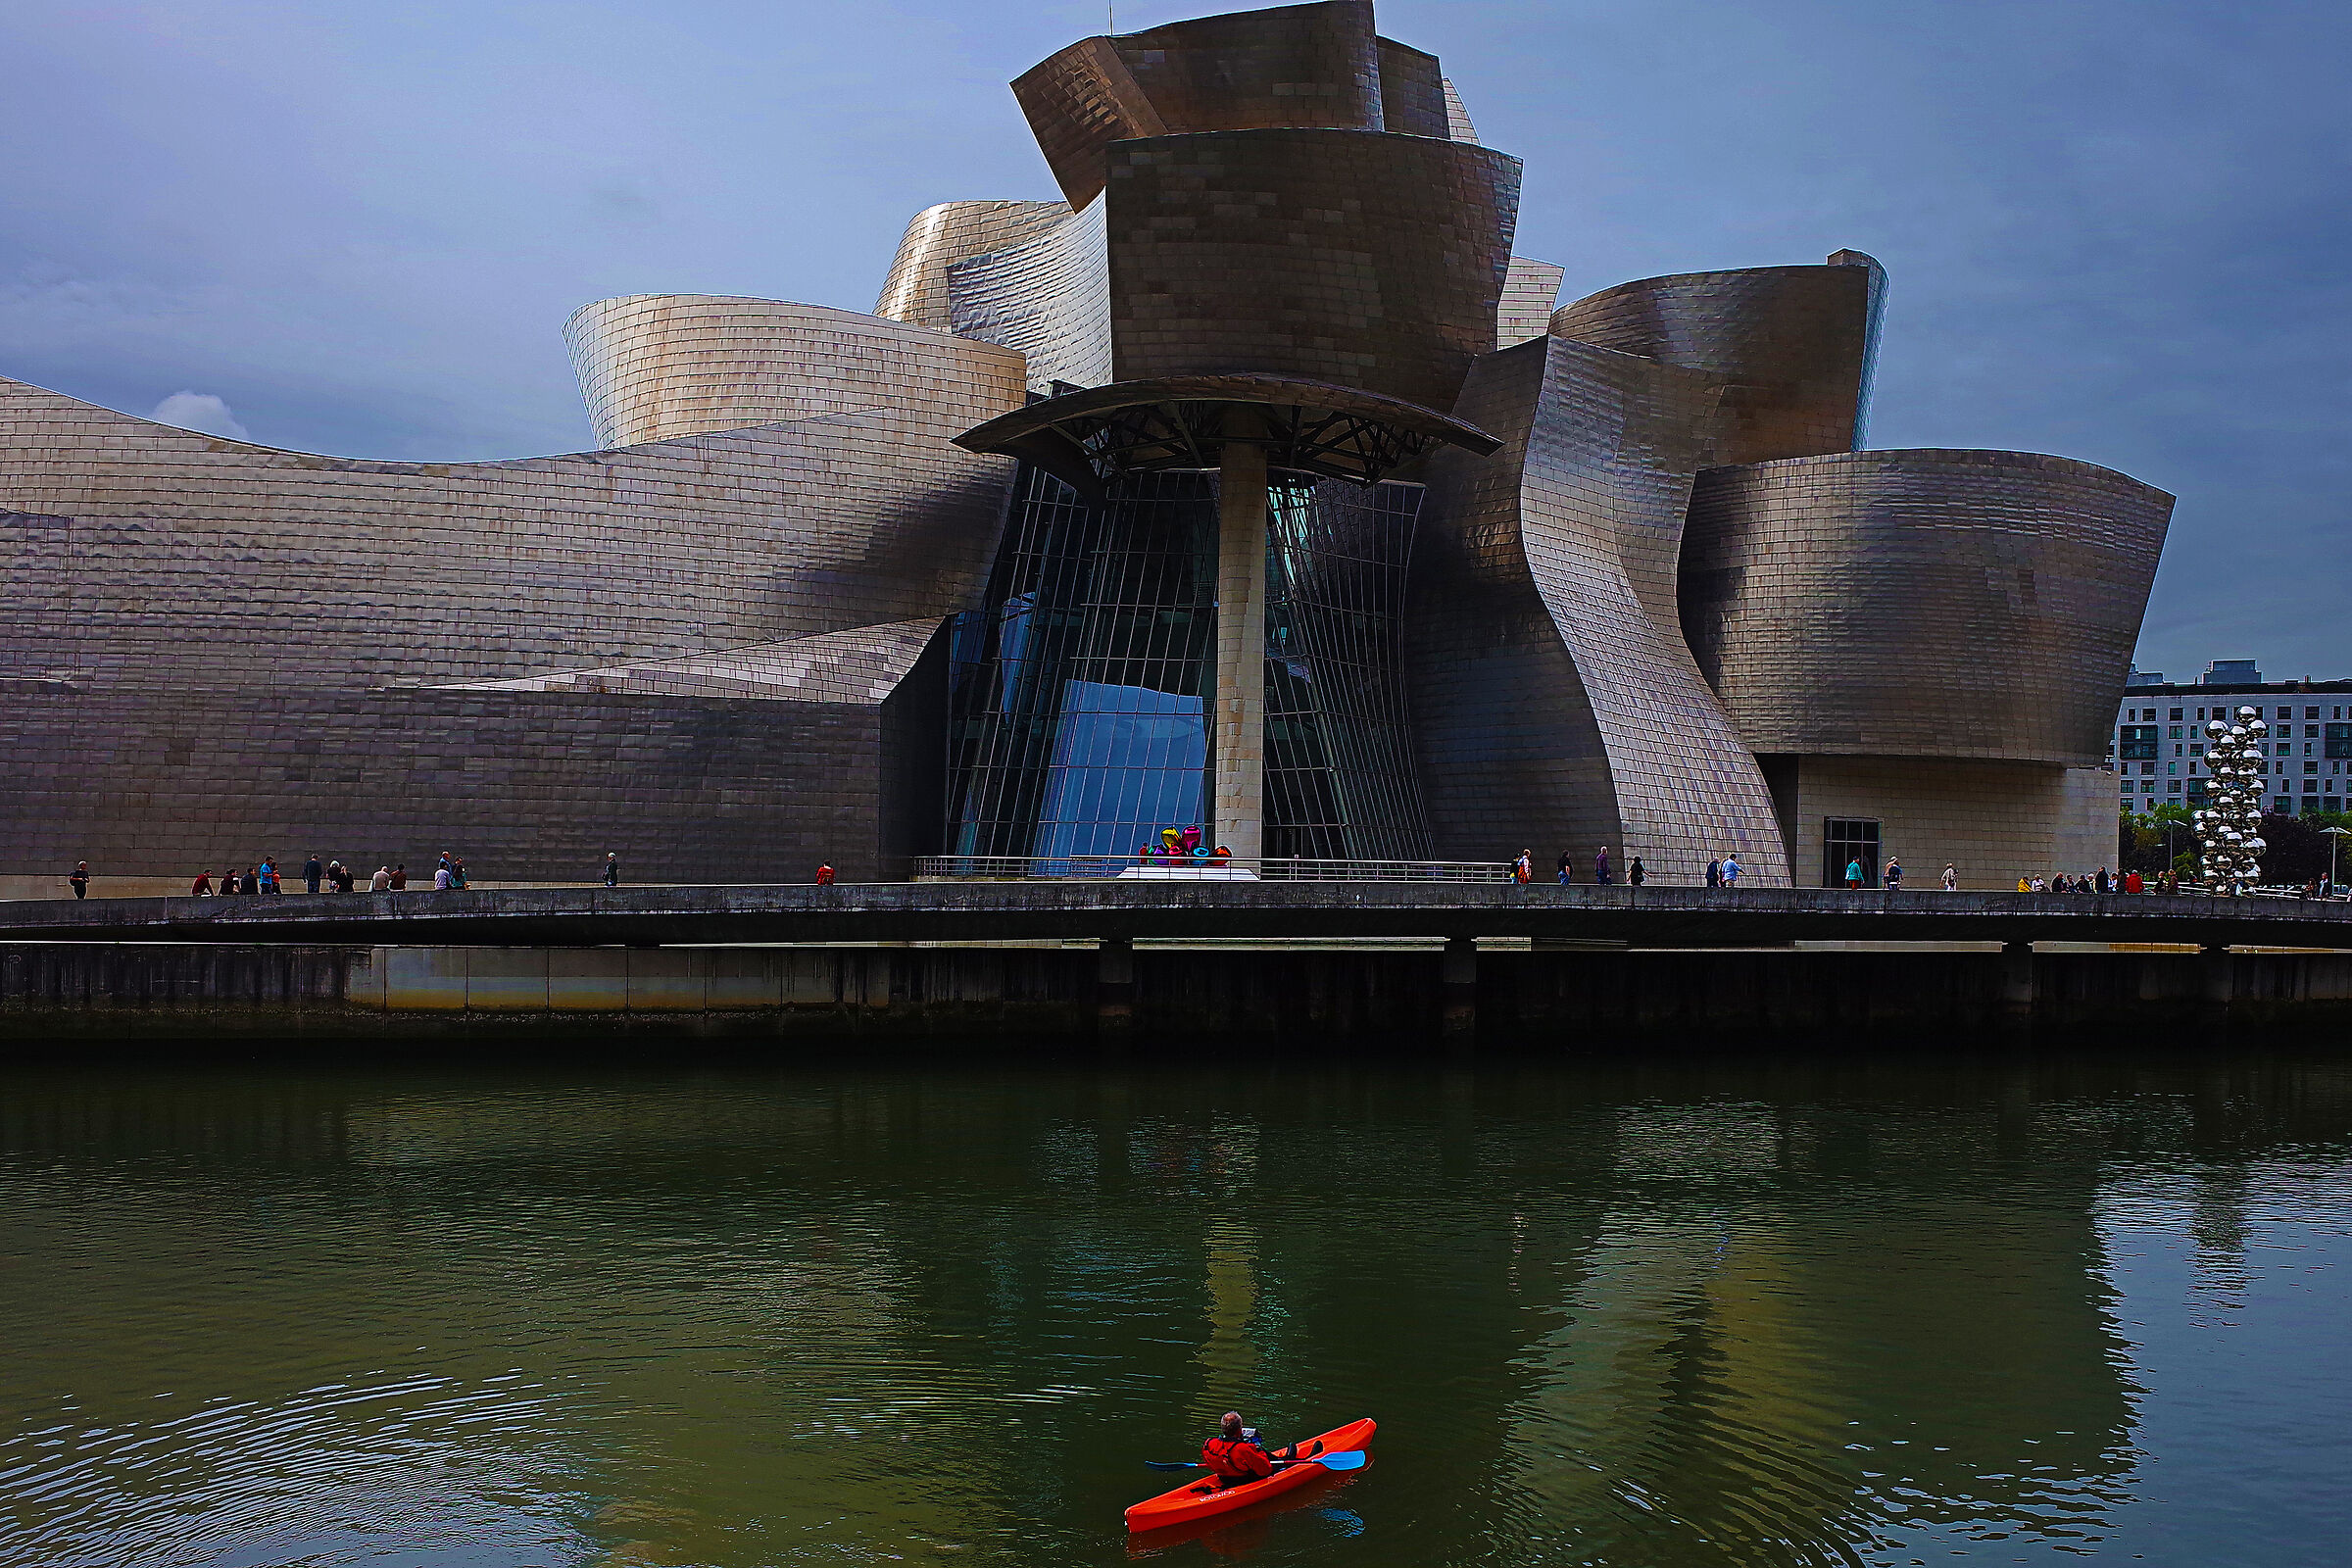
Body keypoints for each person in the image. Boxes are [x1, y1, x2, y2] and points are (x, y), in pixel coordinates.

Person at [1201, 1412, 1300, 1489]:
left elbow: (1210, 1464)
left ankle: (1283, 1459)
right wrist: (1257, 1448)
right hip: (1243, 1479)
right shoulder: (1242, 1448)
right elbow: (1265, 1470)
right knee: (1265, 1456)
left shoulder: (1209, 1443)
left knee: (1260, 1454)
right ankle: (1288, 1461)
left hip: (1224, 1478)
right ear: (1240, 1429)